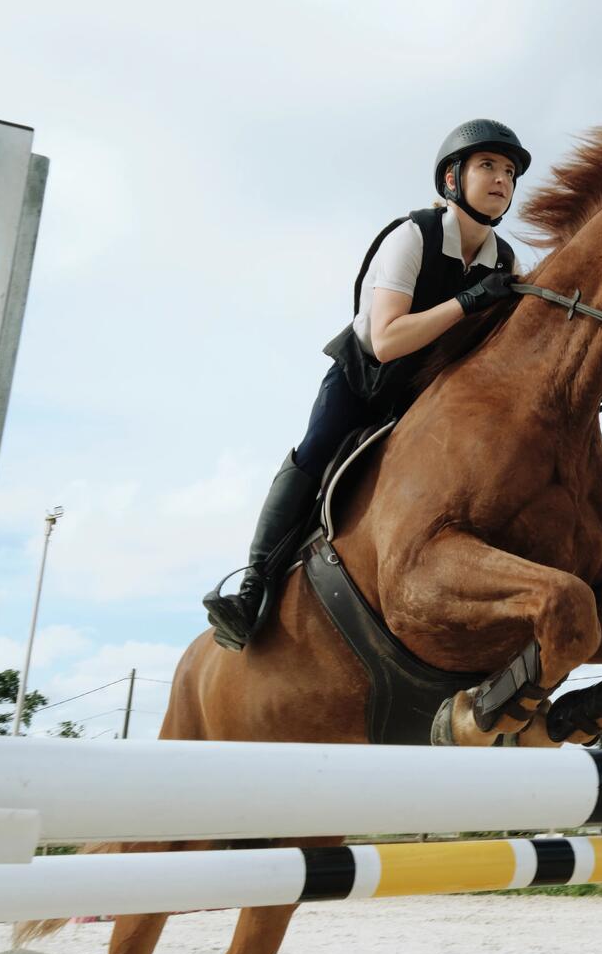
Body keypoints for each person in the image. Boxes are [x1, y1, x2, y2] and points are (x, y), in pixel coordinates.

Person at [202, 120, 533, 650]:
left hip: (423, 397)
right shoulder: (413, 236)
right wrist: (469, 301)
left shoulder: (507, 261)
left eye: (510, 172)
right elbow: (386, 340)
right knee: (314, 452)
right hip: (363, 380)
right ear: (453, 179)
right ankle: (251, 586)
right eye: (488, 166)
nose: (502, 180)